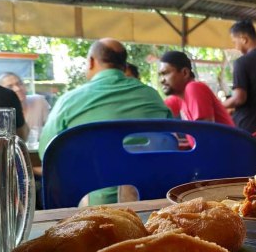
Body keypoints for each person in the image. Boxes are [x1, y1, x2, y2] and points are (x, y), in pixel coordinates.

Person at [39, 38, 172, 205]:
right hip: (151, 201)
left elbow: (47, 154)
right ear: (124, 65)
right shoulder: (153, 97)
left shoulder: (68, 101)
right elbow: (170, 144)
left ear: (91, 62)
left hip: (92, 206)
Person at [158, 51, 234, 126]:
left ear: (185, 73)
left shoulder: (194, 88)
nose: (161, 80)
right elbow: (157, 114)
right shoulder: (179, 98)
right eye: (160, 75)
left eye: (166, 73)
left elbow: (205, 133)